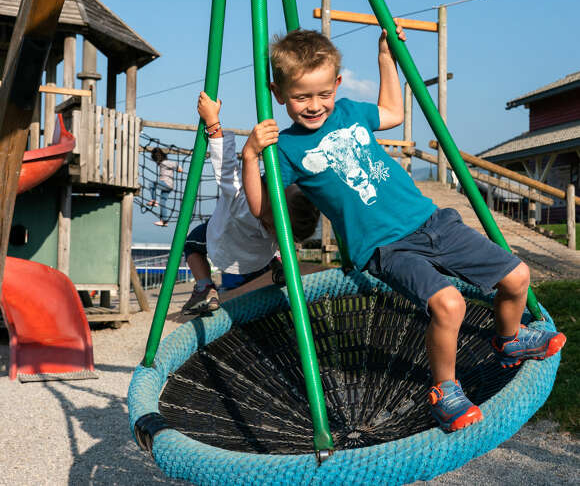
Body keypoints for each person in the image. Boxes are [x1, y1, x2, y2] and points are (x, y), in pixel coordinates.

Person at [241, 27, 566, 433]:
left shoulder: (349, 113)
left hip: (431, 221)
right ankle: (444, 391)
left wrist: (384, 55)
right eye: (301, 96)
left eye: (324, 93)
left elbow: (392, 113)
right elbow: (262, 210)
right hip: (384, 247)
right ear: (278, 92)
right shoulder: (285, 147)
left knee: (517, 276)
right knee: (450, 305)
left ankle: (508, 339)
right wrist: (250, 154)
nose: (314, 105)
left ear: (337, 85)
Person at [181, 91, 320, 315]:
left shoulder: (243, 205)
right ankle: (280, 262)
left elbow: (226, 169)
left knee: (191, 245)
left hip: (228, 245)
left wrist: (212, 122)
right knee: (279, 238)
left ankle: (204, 286)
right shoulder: (280, 226)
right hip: (261, 257)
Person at [147, 147, 182, 227]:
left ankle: (154, 200)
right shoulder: (162, 163)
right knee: (163, 203)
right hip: (168, 185)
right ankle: (164, 221)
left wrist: (179, 168)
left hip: (166, 184)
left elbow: (175, 164)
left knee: (152, 184)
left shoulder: (165, 162)